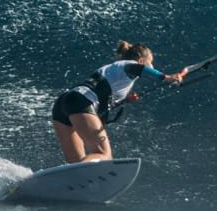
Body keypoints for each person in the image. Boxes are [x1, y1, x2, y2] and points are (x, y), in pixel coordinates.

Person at [50, 41, 186, 163]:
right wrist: (166, 77)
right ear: (140, 60)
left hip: (64, 102)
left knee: (75, 162)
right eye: (151, 62)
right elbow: (140, 69)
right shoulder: (130, 65)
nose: (152, 65)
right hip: (82, 102)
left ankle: (56, 185)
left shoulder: (114, 69)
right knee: (103, 154)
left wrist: (126, 99)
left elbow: (102, 96)